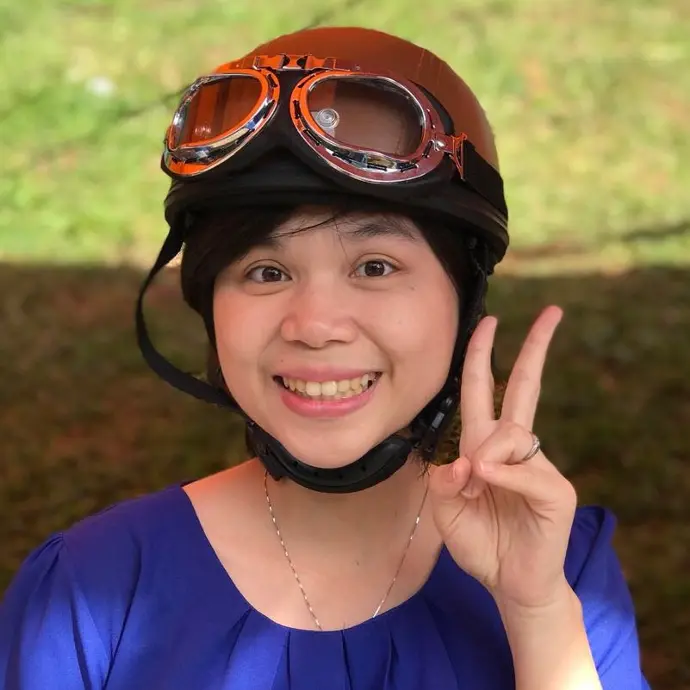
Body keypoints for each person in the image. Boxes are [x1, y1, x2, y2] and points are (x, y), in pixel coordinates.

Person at [0, 26, 650, 690]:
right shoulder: (93, 590)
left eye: (374, 266)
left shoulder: (557, 564)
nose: (314, 326)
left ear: (464, 299)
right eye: (266, 272)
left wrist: (536, 611)